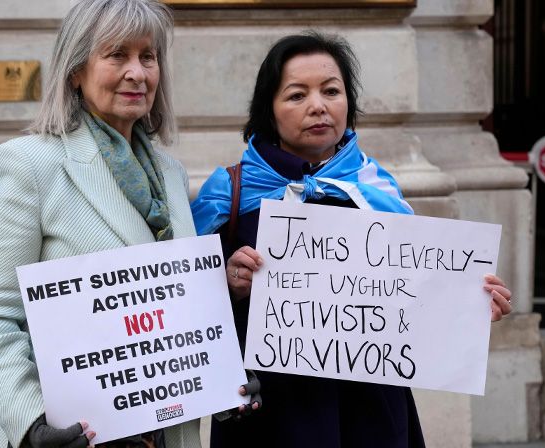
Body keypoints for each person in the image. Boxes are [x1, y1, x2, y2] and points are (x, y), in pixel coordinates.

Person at [190, 32, 513, 448]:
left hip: (369, 409)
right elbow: (187, 307)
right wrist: (229, 284)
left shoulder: (376, 189)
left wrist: (468, 306)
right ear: (267, 109)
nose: (318, 106)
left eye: (331, 91)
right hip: (269, 410)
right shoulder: (228, 194)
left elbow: (416, 298)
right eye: (296, 95)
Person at [0, 1, 256, 447]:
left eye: (148, 56)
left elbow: (168, 300)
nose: (137, 73)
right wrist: (31, 422)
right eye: (117, 54)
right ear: (75, 70)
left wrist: (222, 377)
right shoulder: (28, 164)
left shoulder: (172, 173)